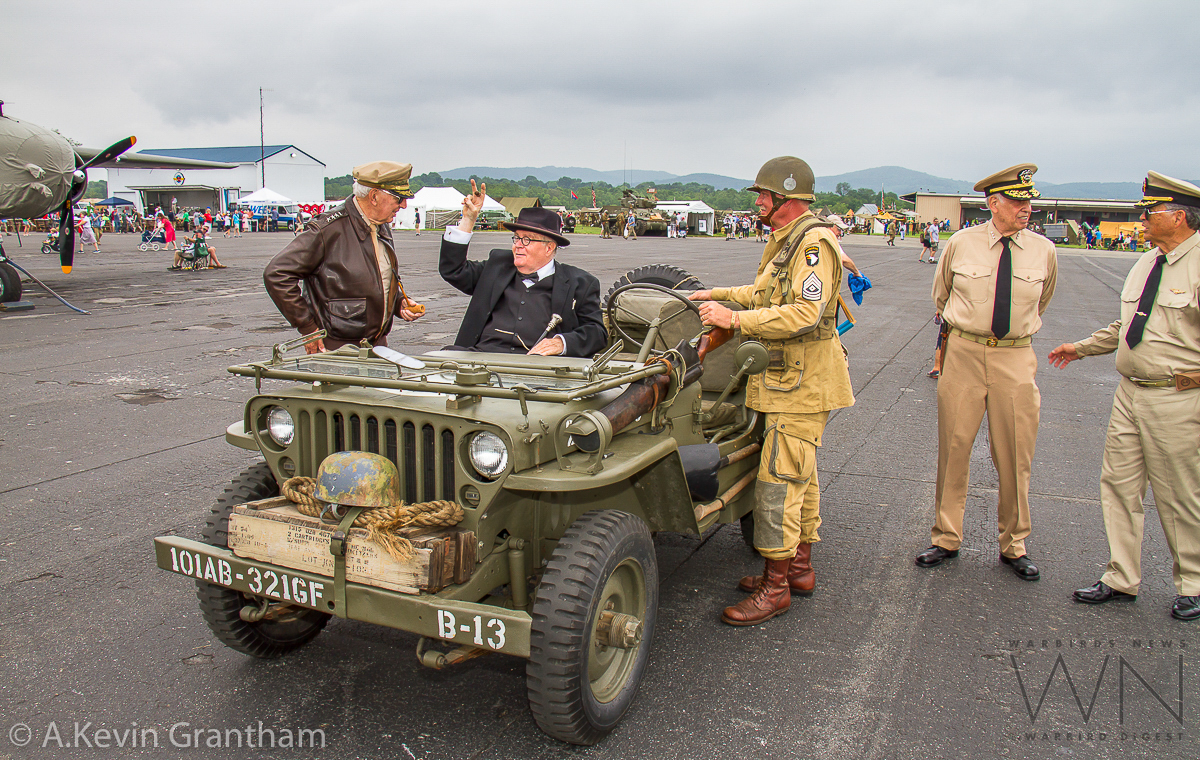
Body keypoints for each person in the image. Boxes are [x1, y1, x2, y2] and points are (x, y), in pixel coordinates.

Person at [689, 156, 855, 626]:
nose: (758, 202)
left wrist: (734, 320)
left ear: (786, 197)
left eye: (763, 195)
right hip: (788, 383)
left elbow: (804, 312)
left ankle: (775, 586)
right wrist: (718, 295)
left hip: (801, 384)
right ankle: (797, 569)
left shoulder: (812, 243)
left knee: (779, 483)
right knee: (799, 475)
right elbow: (765, 294)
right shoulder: (787, 240)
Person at [1049, 172, 1200, 621]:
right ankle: (1121, 576)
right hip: (1130, 393)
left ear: (1179, 216)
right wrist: (1082, 348)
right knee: (1118, 486)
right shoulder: (1147, 262)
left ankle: (1192, 581)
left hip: (1177, 396)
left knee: (1178, 493)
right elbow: (1132, 324)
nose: (1144, 219)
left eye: (1151, 212)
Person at [915, 164, 1057, 581]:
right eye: (1016, 201)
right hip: (963, 353)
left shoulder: (1043, 250)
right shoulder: (961, 243)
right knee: (954, 447)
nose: (1025, 208)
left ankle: (1014, 543)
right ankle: (946, 535)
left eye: (1028, 201)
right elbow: (941, 296)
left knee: (1015, 453)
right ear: (993, 203)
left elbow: (1040, 302)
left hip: (1015, 356)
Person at [264, 161, 424, 354]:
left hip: (377, 345)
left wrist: (399, 303)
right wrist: (307, 328)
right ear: (374, 196)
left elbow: (378, 276)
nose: (404, 205)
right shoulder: (327, 229)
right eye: (399, 198)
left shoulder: (381, 225)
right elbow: (277, 273)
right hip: (337, 348)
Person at [439, 180, 605, 358]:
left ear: (549, 248)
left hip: (538, 370)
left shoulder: (580, 283)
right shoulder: (497, 266)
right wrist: (468, 219)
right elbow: (453, 269)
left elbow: (597, 333)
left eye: (527, 240)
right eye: (516, 238)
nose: (518, 245)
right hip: (479, 361)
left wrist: (561, 343)